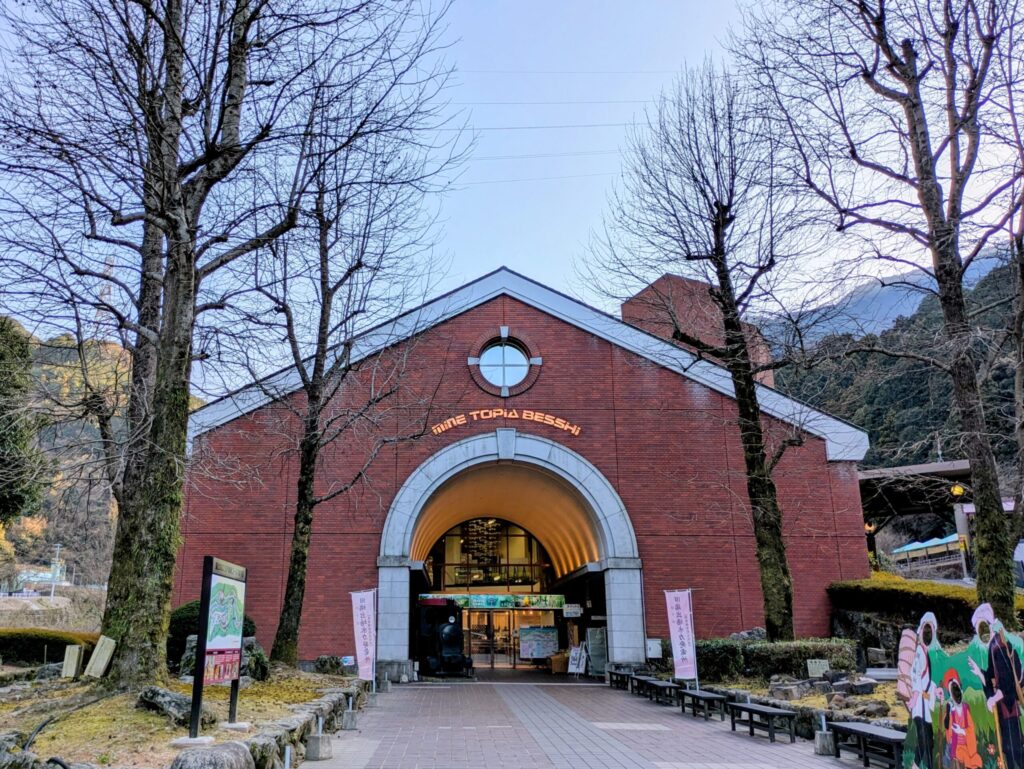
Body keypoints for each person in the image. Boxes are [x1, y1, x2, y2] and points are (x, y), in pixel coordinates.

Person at [967, 604, 1024, 769]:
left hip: (1009, 709)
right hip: (1004, 708)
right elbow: (992, 675)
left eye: (979, 626)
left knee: (1013, 749)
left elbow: (1006, 682)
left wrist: (994, 698)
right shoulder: (994, 644)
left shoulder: (999, 645)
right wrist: (979, 672)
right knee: (1008, 749)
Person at [909, 612, 942, 769]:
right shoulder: (920, 652)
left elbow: (927, 680)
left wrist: (935, 691)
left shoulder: (927, 652)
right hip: (920, 705)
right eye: (926, 630)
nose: (928, 633)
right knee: (926, 741)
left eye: (931, 630)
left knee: (927, 741)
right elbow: (915, 676)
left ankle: (915, 766)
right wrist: (916, 695)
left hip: (924, 703)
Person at [942, 669, 982, 769]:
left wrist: (962, 731)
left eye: (957, 689)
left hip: (968, 746)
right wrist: (949, 710)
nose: (956, 693)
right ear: (950, 695)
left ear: (961, 690)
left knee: (976, 760)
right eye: (953, 690)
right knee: (963, 758)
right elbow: (947, 728)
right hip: (957, 748)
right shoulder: (950, 710)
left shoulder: (965, 710)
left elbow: (971, 728)